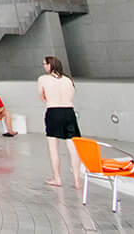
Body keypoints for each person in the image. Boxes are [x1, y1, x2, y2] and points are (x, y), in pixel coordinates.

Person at [39, 55, 81, 188]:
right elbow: (72, 95)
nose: (44, 66)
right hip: (69, 112)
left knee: (53, 147)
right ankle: (77, 180)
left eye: (45, 64)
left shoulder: (43, 79)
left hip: (53, 111)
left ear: (50, 65)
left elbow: (42, 96)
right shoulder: (68, 80)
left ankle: (57, 178)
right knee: (73, 147)